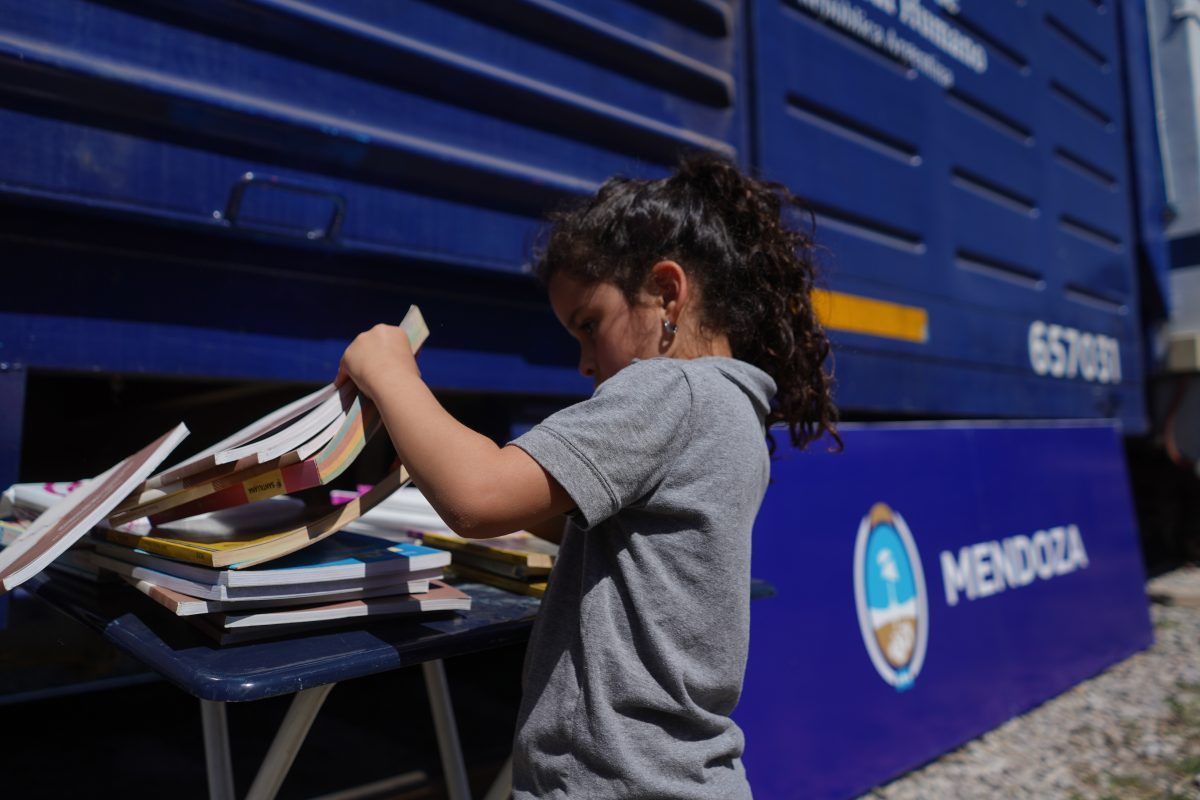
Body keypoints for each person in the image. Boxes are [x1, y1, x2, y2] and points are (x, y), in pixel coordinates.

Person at [338, 152, 839, 799]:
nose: (582, 363)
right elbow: (613, 535)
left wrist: (390, 371)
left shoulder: (668, 391)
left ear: (666, 293)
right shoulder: (734, 407)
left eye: (589, 325)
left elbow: (478, 496)